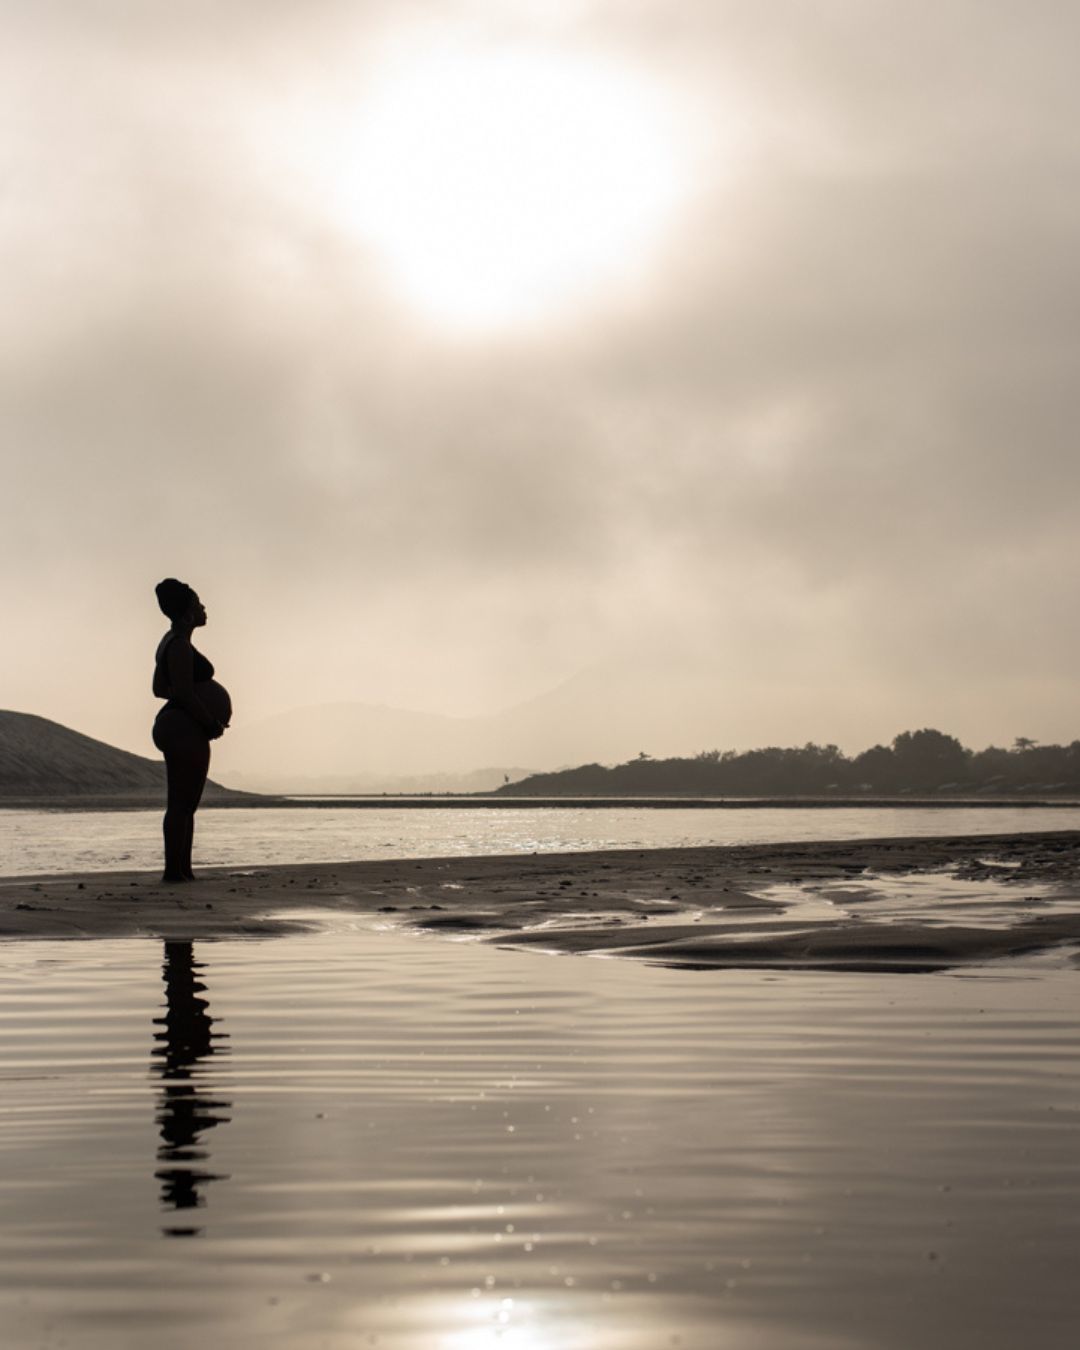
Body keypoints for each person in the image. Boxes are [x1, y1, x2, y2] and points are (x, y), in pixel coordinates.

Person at [152, 579, 231, 883]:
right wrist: (209, 721)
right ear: (187, 615)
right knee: (182, 804)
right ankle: (174, 872)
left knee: (184, 804)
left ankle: (182, 870)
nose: (203, 608)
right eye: (198, 604)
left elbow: (160, 688)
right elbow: (183, 692)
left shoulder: (171, 641)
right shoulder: (179, 645)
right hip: (183, 727)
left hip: (179, 724)